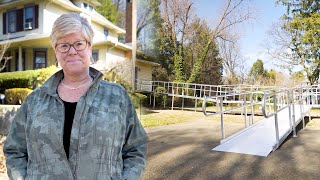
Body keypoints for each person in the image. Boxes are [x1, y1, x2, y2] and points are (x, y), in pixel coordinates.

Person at [4, 13, 148, 180]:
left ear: (89, 46)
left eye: (79, 44)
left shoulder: (117, 97)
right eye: (63, 46)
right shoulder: (35, 101)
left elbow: (136, 149)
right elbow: (15, 150)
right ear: (56, 51)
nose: (72, 51)